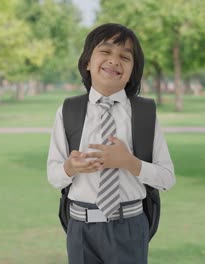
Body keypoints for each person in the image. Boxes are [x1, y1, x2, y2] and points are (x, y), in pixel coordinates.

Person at [47, 23, 176, 264]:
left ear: (132, 70)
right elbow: (53, 176)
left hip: (130, 227)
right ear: (87, 62)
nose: (114, 61)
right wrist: (70, 168)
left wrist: (130, 163)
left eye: (125, 57)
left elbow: (167, 178)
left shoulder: (145, 113)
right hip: (81, 228)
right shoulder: (68, 111)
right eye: (105, 52)